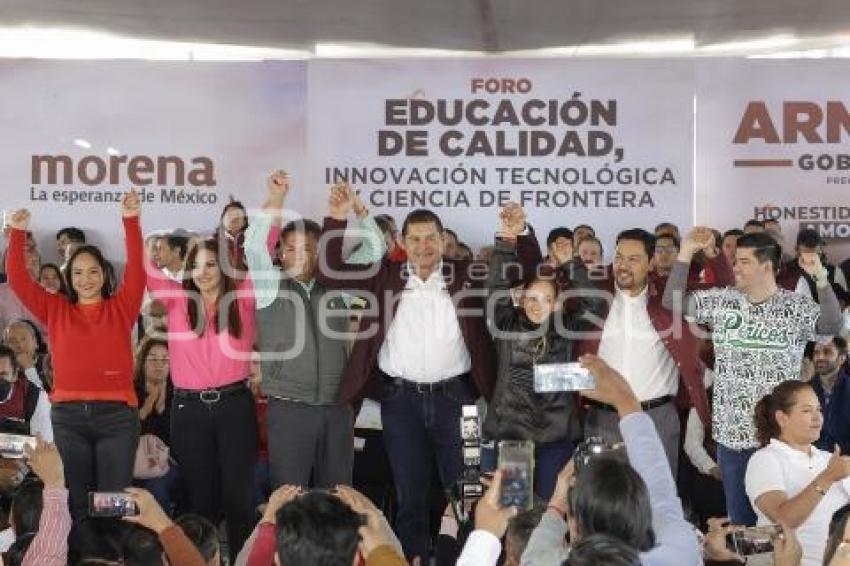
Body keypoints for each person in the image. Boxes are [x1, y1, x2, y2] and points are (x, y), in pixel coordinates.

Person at [316, 185, 497, 562]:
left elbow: (519, 273)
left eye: (431, 237)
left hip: (458, 399)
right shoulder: (385, 276)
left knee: (465, 490)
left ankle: (463, 557)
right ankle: (410, 558)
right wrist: (336, 218)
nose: (424, 245)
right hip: (400, 402)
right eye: (415, 239)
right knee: (409, 493)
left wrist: (516, 236)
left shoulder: (468, 275)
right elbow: (329, 272)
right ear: (403, 242)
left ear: (443, 239)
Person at [664, 230, 844, 525]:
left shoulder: (794, 306)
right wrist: (684, 253)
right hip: (733, 440)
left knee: (782, 524)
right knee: (742, 528)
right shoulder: (723, 301)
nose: (735, 267)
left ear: (766, 266)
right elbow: (674, 303)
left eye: (743, 261)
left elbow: (832, 324)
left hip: (780, 439)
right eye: (736, 261)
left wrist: (821, 279)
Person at [457, 354, 702, 565]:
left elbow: (538, 553)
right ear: (642, 516)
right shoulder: (681, 554)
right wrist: (626, 399)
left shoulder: (540, 561)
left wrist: (487, 534)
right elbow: (661, 493)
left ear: (574, 529)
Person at [6, 193, 145, 521]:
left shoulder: (121, 308)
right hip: (69, 418)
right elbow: (18, 280)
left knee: (113, 502)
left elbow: (137, 267)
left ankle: (111, 557)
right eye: (78, 272)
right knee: (75, 503)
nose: (86, 279)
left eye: (93, 271)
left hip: (117, 418)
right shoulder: (55, 308)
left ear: (104, 274)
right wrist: (16, 233)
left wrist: (131, 221)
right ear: (69, 277)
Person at [146, 231, 258, 562]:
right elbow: (147, 269)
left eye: (211, 264)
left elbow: (263, 251)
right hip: (189, 411)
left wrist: (274, 203)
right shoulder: (177, 299)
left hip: (235, 407)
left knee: (240, 500)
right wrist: (131, 221)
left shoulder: (243, 298)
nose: (203, 272)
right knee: (200, 500)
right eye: (196, 265)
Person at [243, 172, 353, 489]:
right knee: (289, 500)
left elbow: (371, 257)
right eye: (290, 248)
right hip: (289, 407)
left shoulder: (338, 287)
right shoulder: (269, 286)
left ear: (322, 252)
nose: (297, 256)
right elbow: (253, 246)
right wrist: (276, 201)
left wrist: (341, 216)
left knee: (338, 498)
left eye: (308, 248)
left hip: (337, 408)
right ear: (280, 253)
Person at [483, 204, 582, 500]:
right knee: (515, 512)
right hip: (514, 442)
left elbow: (593, 307)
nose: (538, 304)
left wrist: (571, 264)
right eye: (532, 297)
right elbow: (495, 288)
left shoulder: (566, 329)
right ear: (521, 298)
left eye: (546, 298)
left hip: (557, 440)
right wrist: (506, 242)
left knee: (553, 512)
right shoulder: (507, 325)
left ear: (557, 303)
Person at [745, 380, 850, 565]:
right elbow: (783, 520)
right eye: (807, 410)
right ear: (782, 418)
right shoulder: (765, 459)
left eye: (819, 410)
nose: (817, 417)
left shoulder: (829, 459)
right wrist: (827, 477)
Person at [132, 337, 178, 513]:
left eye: (165, 360)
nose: (159, 364)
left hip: (166, 464)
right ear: (142, 362)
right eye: (152, 359)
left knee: (156, 487)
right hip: (131, 463)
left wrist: (162, 410)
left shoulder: (179, 394)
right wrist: (145, 408)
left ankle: (161, 535)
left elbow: (178, 440)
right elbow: (123, 432)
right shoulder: (129, 392)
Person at [811, 337, 850, 455]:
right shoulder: (805, 390)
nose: (820, 357)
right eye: (816, 352)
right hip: (810, 461)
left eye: (827, 352)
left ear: (841, 359)